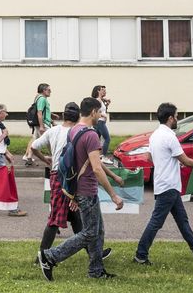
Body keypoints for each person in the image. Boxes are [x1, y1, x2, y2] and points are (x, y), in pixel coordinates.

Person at [37, 97, 124, 281]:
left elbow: (74, 163)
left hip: (79, 189)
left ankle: (96, 270)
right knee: (90, 232)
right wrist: (114, 195)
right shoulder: (91, 135)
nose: (101, 116)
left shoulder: (74, 130)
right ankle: (50, 256)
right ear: (93, 112)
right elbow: (96, 167)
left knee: (98, 231)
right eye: (100, 112)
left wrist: (73, 193)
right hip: (87, 190)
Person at [134, 103, 193, 266]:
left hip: (165, 184)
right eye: (177, 116)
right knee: (156, 222)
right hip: (168, 185)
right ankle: (140, 255)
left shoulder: (155, 134)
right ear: (170, 118)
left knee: (182, 220)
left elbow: (149, 157)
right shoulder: (170, 136)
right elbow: (186, 160)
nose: (178, 119)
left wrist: (168, 162)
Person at [23, 83, 52, 166]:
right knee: (50, 141)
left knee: (35, 140)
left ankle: (29, 157)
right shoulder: (42, 99)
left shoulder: (38, 98)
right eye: (49, 90)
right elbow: (39, 113)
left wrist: (52, 118)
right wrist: (42, 126)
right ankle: (55, 157)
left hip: (38, 124)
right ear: (44, 90)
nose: (51, 91)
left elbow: (43, 112)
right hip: (42, 124)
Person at [91, 86, 113, 165]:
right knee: (107, 139)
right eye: (102, 90)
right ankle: (103, 157)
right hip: (100, 122)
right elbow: (94, 111)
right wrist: (103, 116)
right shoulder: (98, 100)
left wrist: (106, 103)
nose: (105, 91)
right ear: (98, 91)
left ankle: (97, 156)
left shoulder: (100, 100)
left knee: (97, 140)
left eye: (105, 90)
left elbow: (102, 109)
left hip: (100, 122)